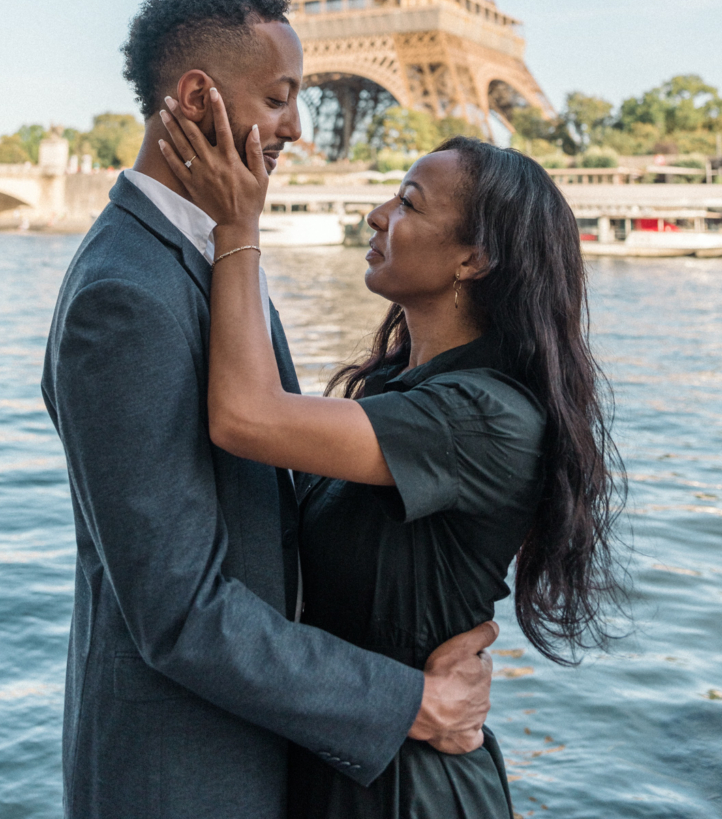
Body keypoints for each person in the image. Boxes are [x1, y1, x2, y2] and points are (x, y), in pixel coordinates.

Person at [41, 0, 497, 819]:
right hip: (184, 776)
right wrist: (409, 702)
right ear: (196, 97)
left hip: (246, 748)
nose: (296, 126)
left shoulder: (202, 257)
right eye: (280, 98)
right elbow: (178, 612)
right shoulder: (129, 296)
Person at [158, 91, 624, 819]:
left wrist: (236, 226)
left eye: (408, 203)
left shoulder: (481, 417)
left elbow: (247, 417)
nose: (378, 216)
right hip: (357, 752)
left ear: (474, 257)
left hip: (408, 788)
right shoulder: (406, 393)